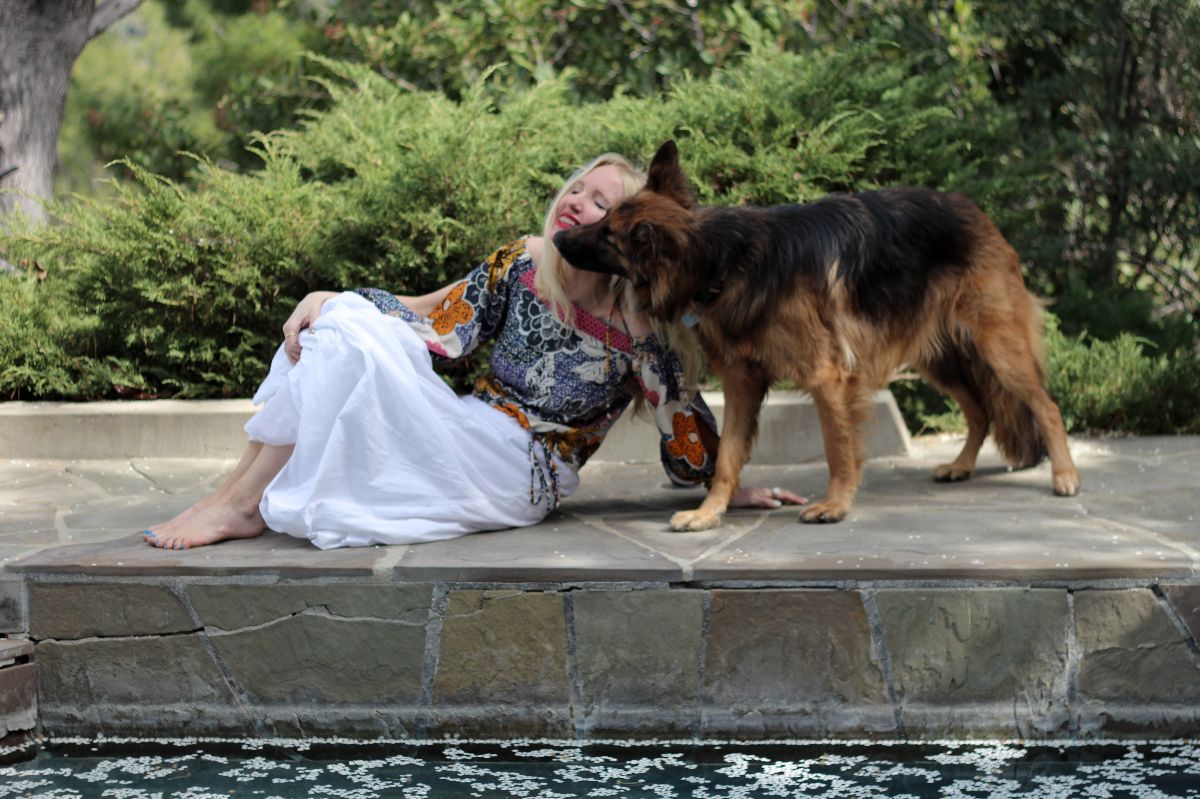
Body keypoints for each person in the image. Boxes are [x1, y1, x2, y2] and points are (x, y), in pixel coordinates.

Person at [143, 154, 805, 550]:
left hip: (523, 471)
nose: (577, 202)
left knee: (341, 333)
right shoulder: (522, 264)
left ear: (625, 234)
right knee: (335, 328)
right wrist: (331, 299)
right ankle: (234, 498)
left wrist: (728, 488)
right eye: (577, 188)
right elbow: (435, 326)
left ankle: (239, 505)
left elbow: (683, 430)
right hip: (466, 425)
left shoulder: (639, 330)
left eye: (600, 203)